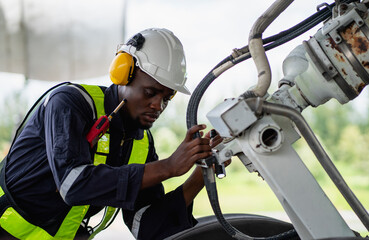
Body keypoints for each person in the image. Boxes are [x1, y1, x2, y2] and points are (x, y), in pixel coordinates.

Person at [0, 28, 218, 239]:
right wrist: (168, 167)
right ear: (123, 73)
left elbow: (147, 228)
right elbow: (73, 184)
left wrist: (202, 171)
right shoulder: (70, 103)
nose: (158, 106)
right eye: (150, 92)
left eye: (166, 98)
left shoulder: (140, 143)